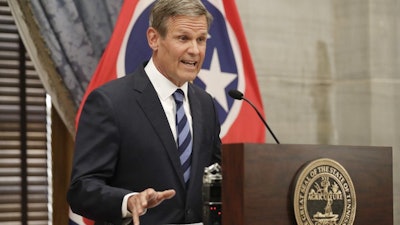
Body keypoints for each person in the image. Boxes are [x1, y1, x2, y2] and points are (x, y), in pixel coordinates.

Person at [67, 0, 221, 224]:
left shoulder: (205, 104)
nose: (195, 50)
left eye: (201, 40)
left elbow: (217, 176)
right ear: (154, 38)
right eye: (183, 38)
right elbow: (81, 190)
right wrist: (128, 201)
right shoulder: (110, 102)